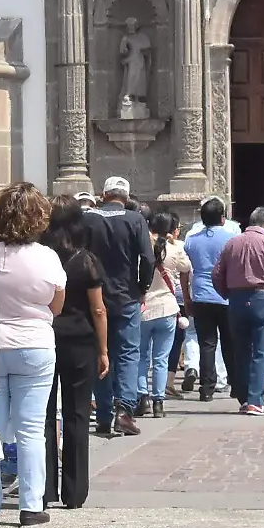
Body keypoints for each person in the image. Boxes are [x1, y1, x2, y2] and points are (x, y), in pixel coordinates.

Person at [0, 184, 67, 528]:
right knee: (31, 429)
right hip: (34, 342)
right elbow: (56, 305)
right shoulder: (46, 257)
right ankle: (31, 504)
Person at [42, 201, 109, 509]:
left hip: (45, 334)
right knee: (77, 414)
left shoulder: (41, 257)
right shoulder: (86, 260)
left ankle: (43, 488)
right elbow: (98, 308)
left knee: (42, 416)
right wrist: (104, 349)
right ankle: (75, 490)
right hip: (80, 338)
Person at [83, 177, 153, 436]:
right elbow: (147, 258)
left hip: (95, 294)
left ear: (104, 194)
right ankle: (124, 409)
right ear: (126, 196)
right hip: (126, 295)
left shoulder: (89, 219)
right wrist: (142, 287)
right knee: (128, 353)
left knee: (101, 352)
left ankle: (102, 413)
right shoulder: (135, 220)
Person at [213, 207, 264, 416]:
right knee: (261, 351)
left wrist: (226, 293)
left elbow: (217, 273)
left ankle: (244, 397)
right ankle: (255, 400)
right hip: (261, 299)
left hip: (236, 300)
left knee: (240, 351)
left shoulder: (232, 243)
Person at [183, 198, 238, 402]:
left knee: (207, 343)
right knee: (229, 342)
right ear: (223, 218)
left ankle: (206, 388)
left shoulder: (191, 240)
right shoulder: (232, 239)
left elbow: (185, 270)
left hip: (201, 295)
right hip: (226, 296)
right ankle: (236, 383)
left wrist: (187, 297)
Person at [138, 211, 191, 416]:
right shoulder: (173, 250)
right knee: (161, 357)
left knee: (142, 356)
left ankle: (142, 397)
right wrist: (175, 243)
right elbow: (187, 266)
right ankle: (158, 401)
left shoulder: (142, 248)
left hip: (144, 307)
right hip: (167, 307)